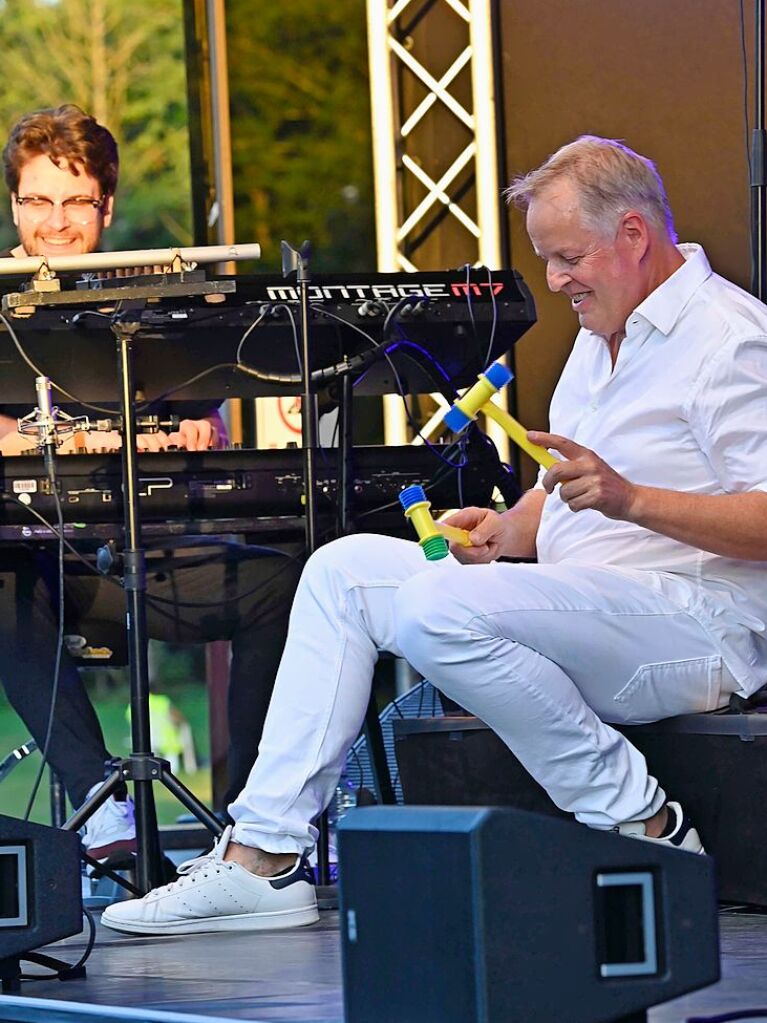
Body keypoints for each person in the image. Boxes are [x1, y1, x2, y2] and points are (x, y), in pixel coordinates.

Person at [102, 134, 767, 936]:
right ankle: (264, 859)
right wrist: (507, 530)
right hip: (594, 607)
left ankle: (642, 825)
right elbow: (572, 495)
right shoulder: (603, 336)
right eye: (546, 258)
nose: (554, 280)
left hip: (695, 627)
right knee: (342, 570)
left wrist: (626, 499)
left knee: (433, 609)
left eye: (566, 257)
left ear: (633, 234)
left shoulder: (729, 337)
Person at [0, 104, 301, 860]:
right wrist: (85, 435)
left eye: (75, 202)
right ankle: (101, 805)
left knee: (293, 583)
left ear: (105, 205)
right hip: (33, 561)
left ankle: (249, 822)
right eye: (37, 200)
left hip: (144, 551)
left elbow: (211, 423)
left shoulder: (151, 299)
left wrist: (196, 428)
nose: (56, 222)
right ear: (14, 204)